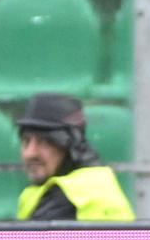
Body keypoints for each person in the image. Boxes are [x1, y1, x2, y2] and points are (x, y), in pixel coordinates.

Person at [15, 93, 134, 221]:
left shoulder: (69, 197)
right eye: (26, 141)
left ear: (70, 146)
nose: (30, 153)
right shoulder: (96, 181)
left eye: (44, 142)